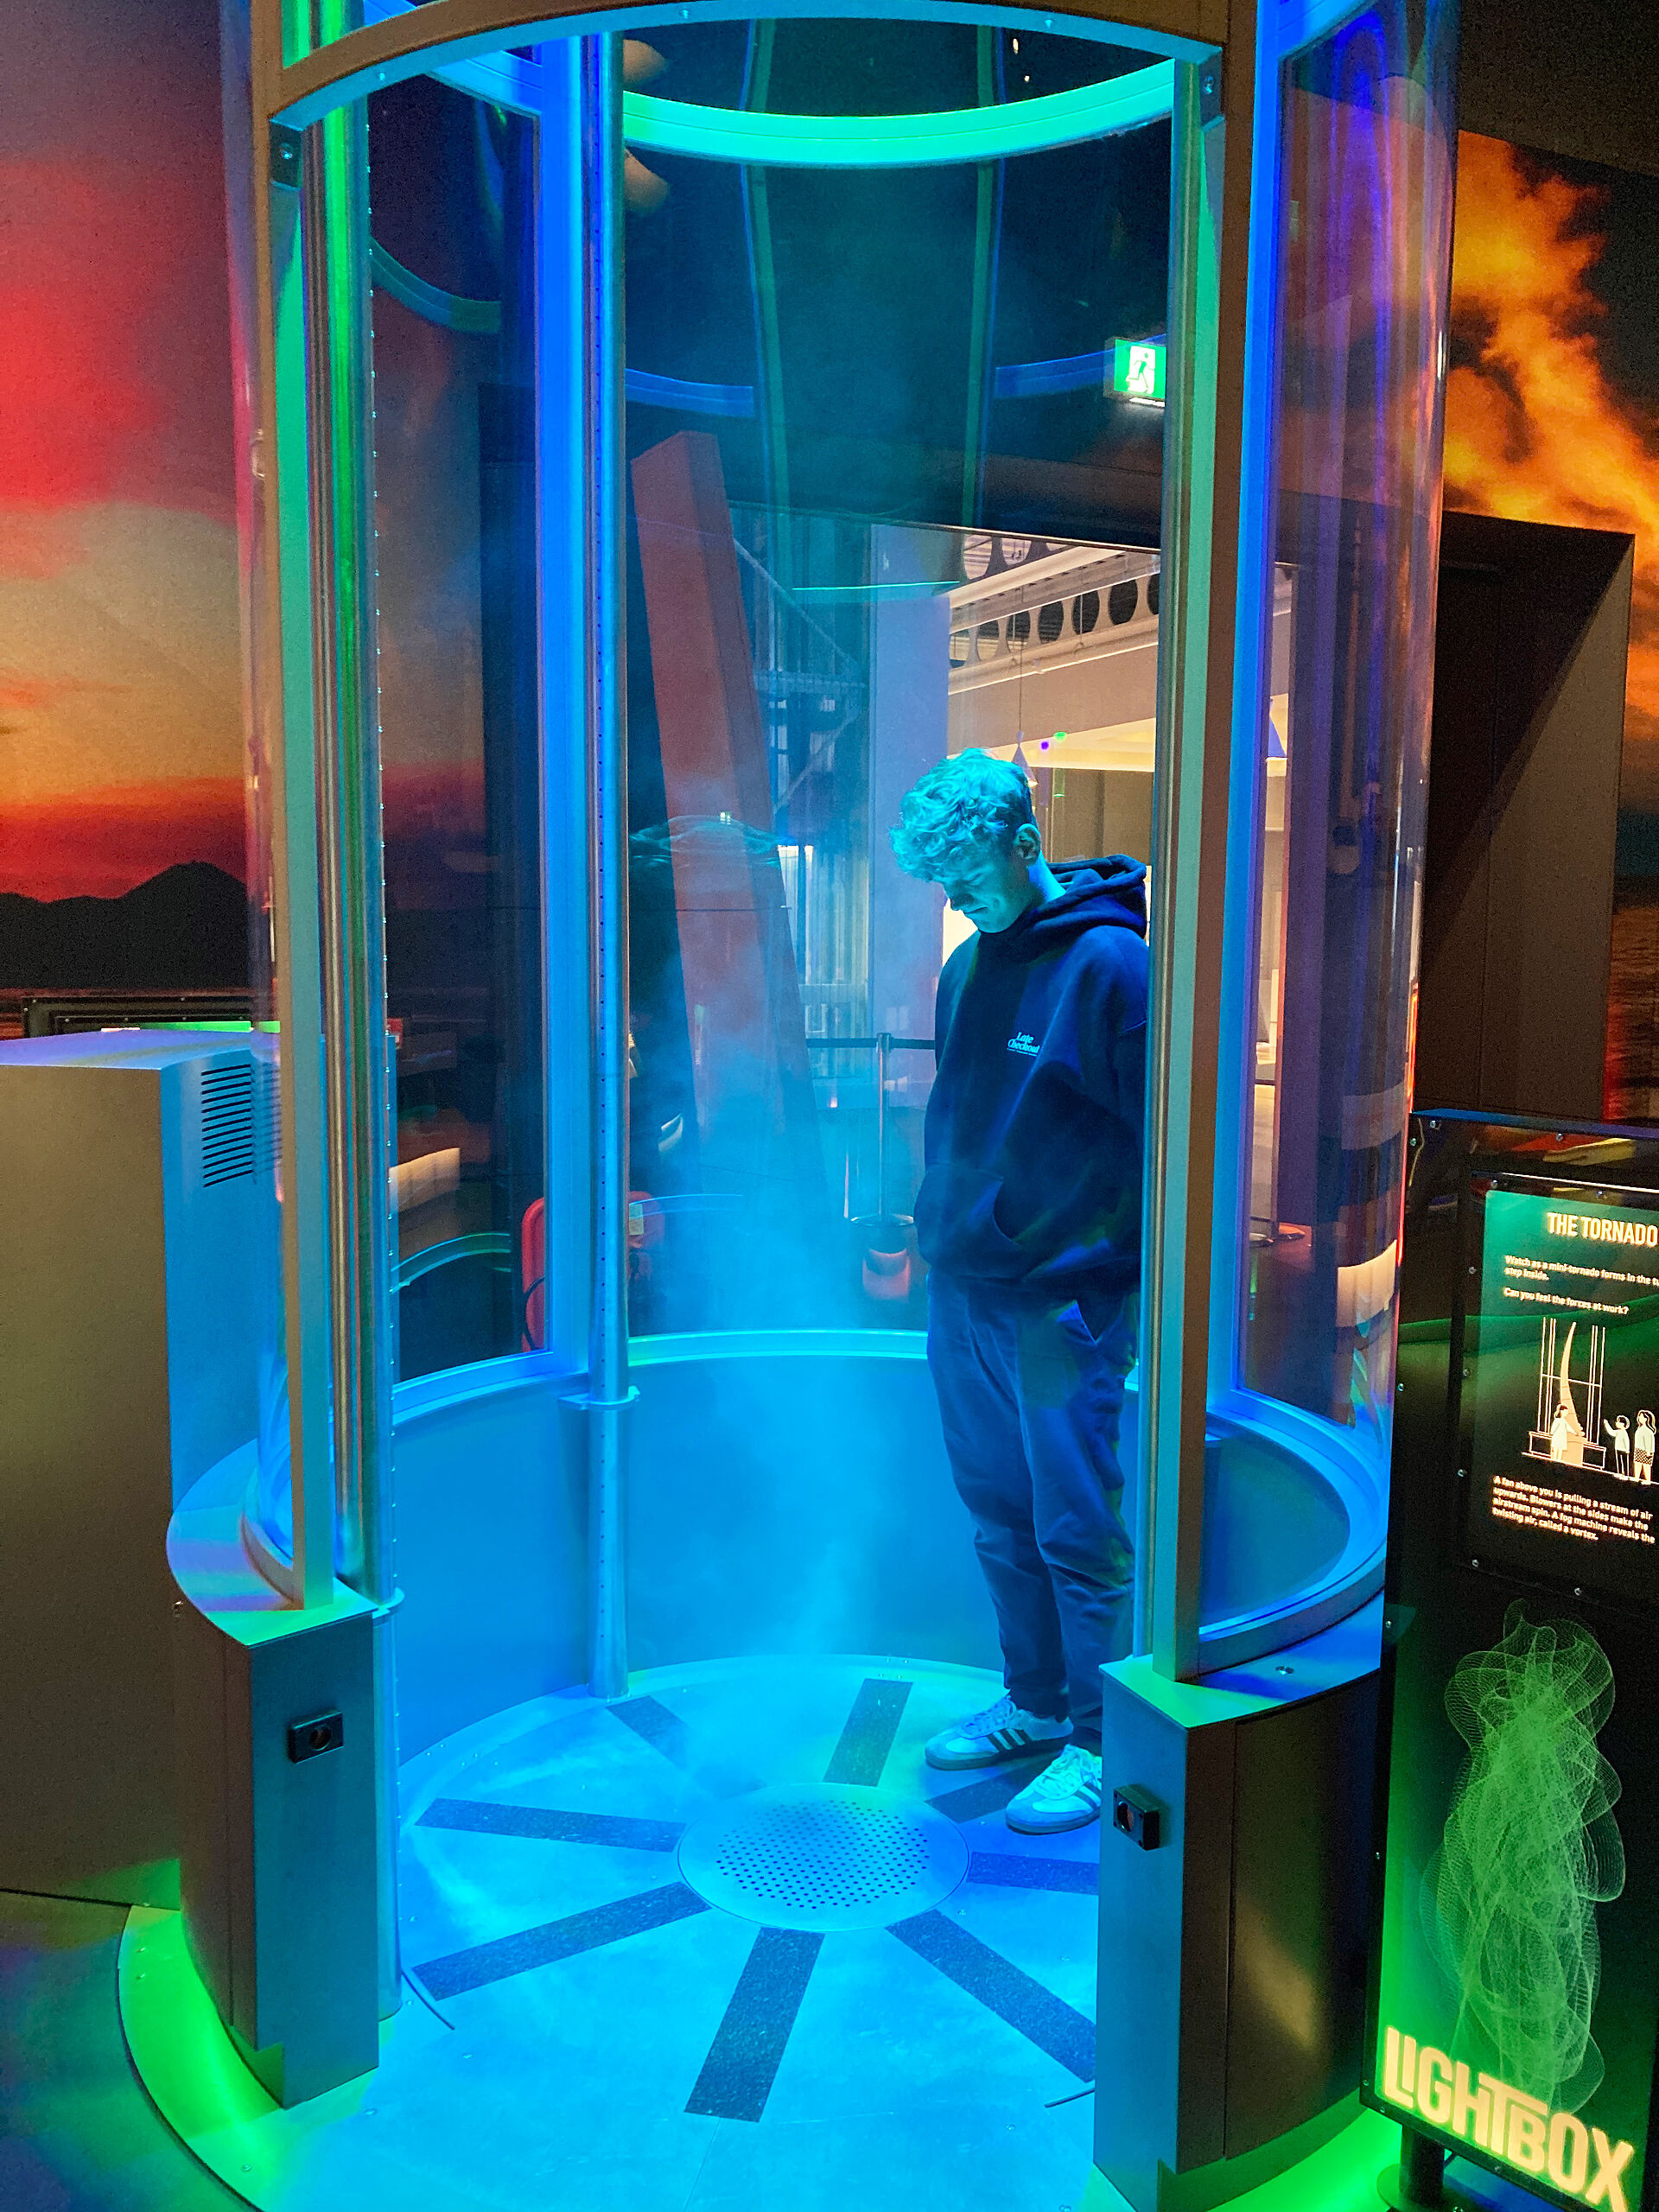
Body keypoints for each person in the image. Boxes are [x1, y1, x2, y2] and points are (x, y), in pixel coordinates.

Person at [891, 749, 1147, 1834]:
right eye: (943, 884)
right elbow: (960, 1122)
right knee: (998, 1512)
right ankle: (1037, 1703)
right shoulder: (966, 968)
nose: (957, 901)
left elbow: (1162, 1152)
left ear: (1026, 844)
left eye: (968, 878)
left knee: (1077, 1524)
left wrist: (1108, 1284)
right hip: (966, 1292)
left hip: (1061, 1302)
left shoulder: (1114, 967)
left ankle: (1101, 1737)